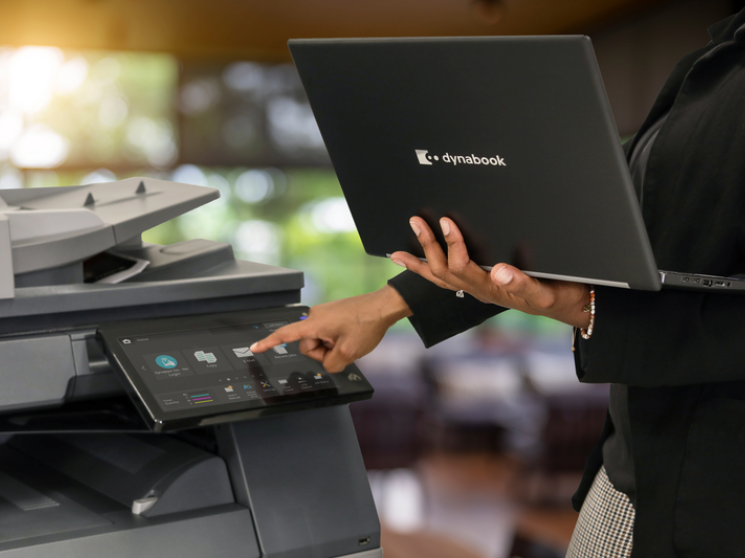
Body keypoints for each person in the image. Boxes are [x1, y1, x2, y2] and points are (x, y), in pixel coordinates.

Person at [251, 9, 745, 557]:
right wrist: (384, 304)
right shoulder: (716, 60)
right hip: (636, 465)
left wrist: (587, 308)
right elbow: (580, 221)